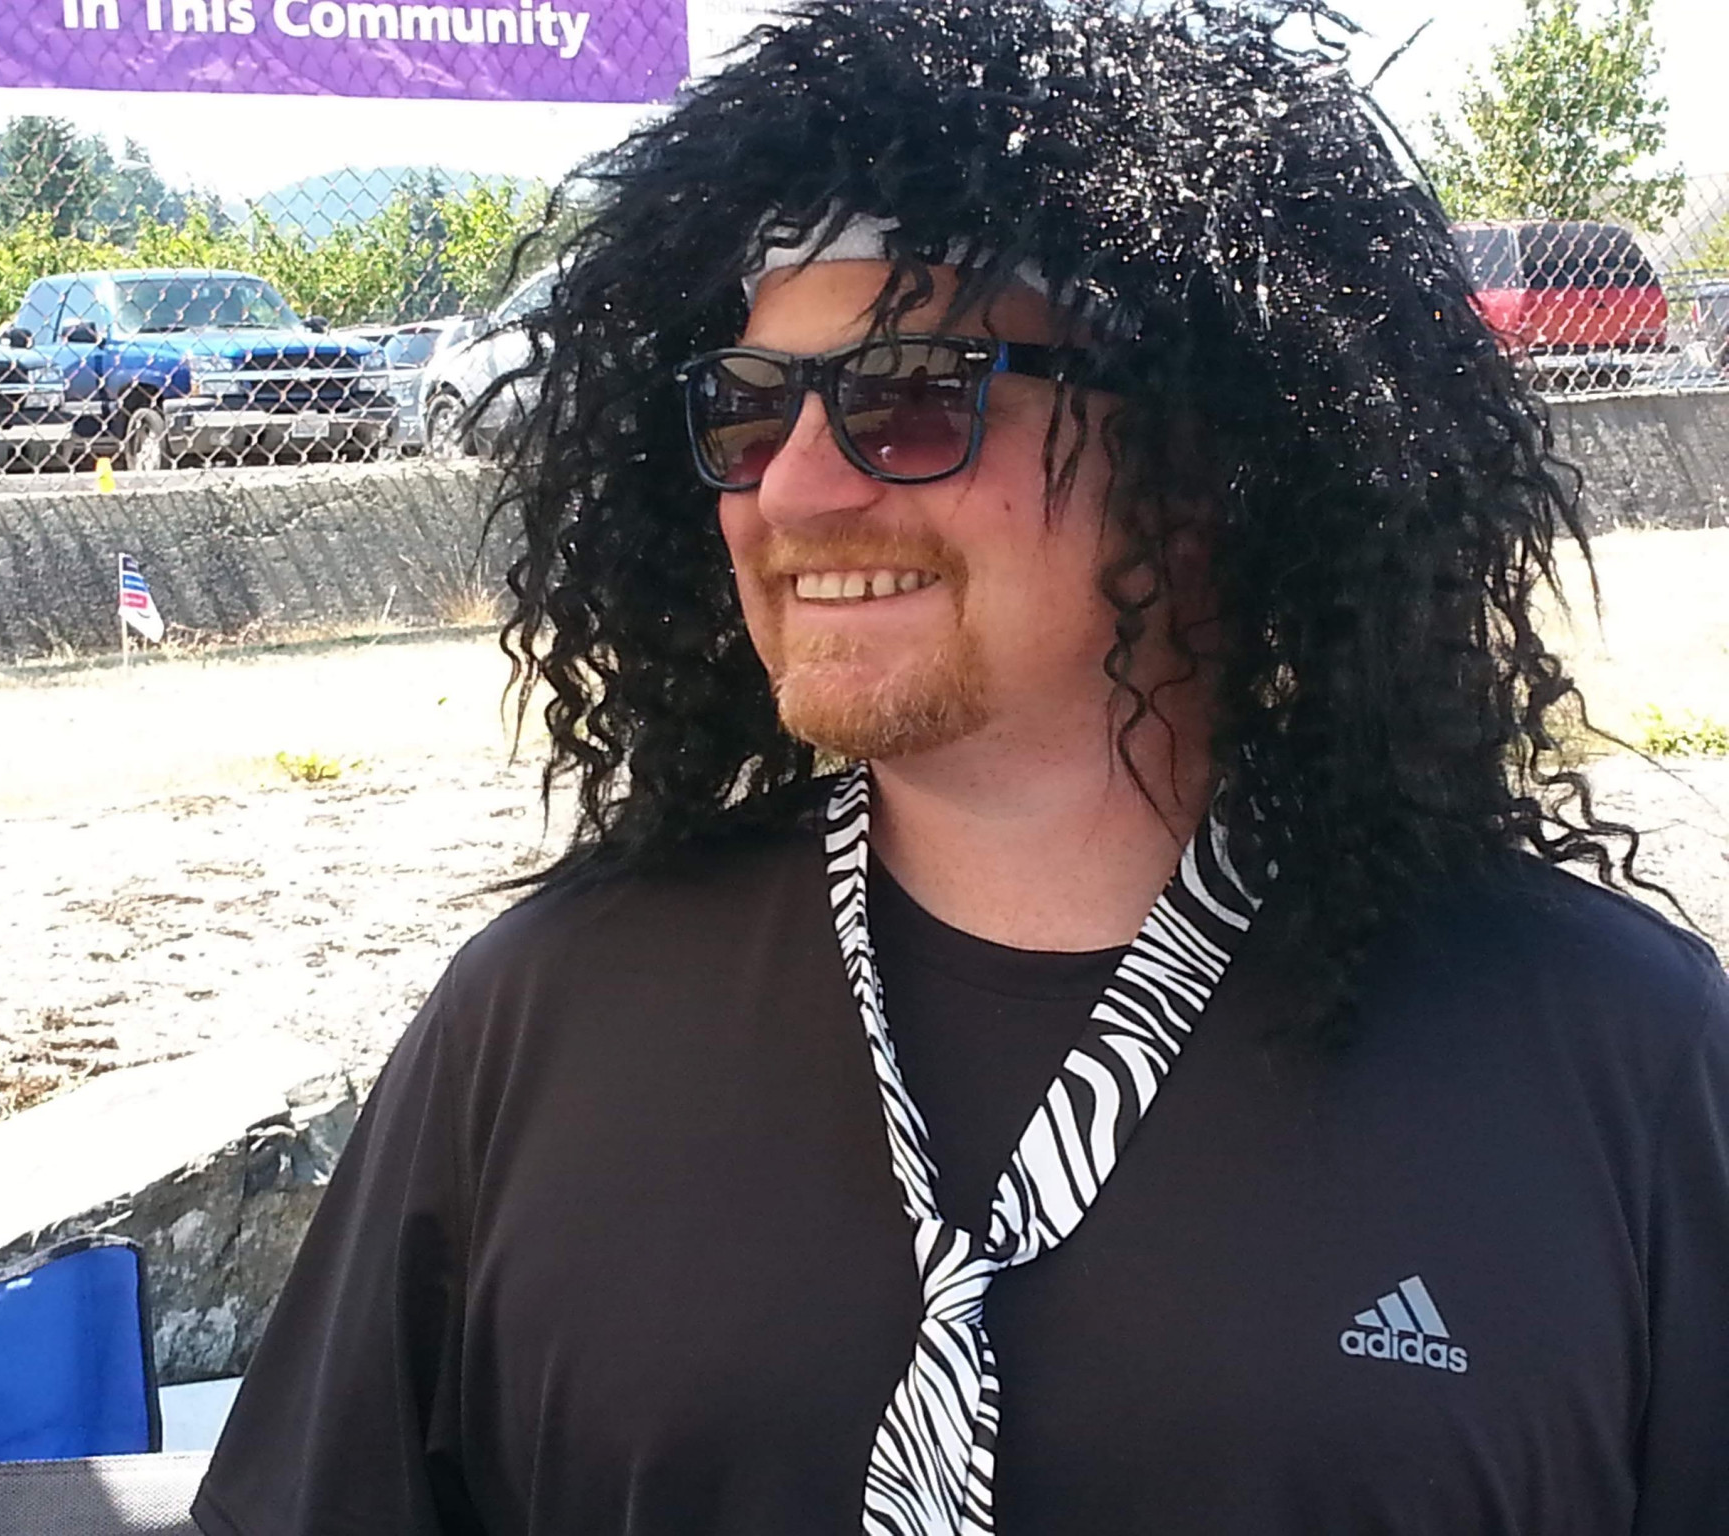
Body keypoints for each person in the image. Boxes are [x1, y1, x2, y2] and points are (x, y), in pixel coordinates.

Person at [191, 2, 1729, 1532]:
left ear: (1212, 454)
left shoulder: (1612, 1057)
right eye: (748, 410)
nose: (795, 489)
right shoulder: (542, 1020)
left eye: (914, 390)